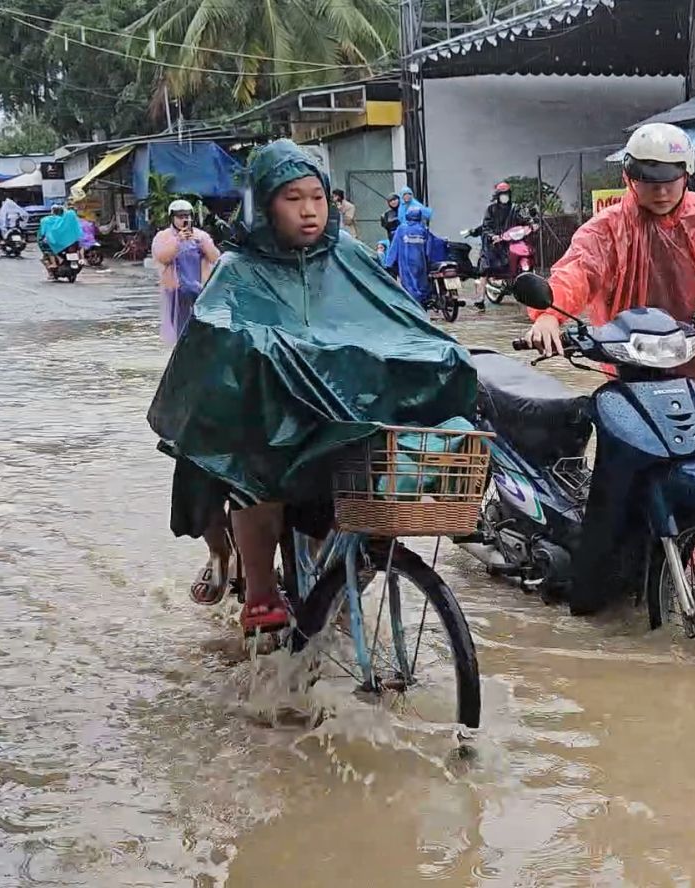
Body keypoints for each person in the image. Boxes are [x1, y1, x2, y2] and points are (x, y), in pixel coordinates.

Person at [148, 139, 476, 635]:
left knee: (381, 463)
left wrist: (445, 353)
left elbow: (400, 321)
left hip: (341, 424)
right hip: (270, 431)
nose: (308, 211)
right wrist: (267, 353)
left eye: (317, 198)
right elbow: (218, 331)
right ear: (265, 204)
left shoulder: (349, 256)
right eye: (292, 198)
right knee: (255, 473)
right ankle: (259, 589)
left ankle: (335, 582)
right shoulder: (240, 268)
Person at [524, 122, 695, 514]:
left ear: (686, 175)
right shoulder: (609, 228)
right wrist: (548, 314)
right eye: (649, 181)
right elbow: (577, 271)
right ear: (629, 178)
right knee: (638, 456)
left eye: (670, 180)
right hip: (640, 359)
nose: (661, 191)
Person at [151, 200, 221, 345]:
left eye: (187, 216)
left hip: (200, 290)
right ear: (172, 218)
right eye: (180, 216)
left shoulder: (201, 236)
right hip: (176, 291)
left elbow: (215, 258)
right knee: (181, 330)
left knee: (203, 327)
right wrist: (177, 242)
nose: (184, 220)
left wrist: (203, 244)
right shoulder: (163, 237)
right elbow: (162, 257)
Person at [465, 181, 526, 304]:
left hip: (509, 242)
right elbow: (486, 226)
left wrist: (530, 224)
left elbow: (522, 220)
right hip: (493, 245)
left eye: (506, 194)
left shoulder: (514, 209)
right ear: (497, 196)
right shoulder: (491, 209)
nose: (504, 196)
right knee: (485, 269)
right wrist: (493, 236)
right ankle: (480, 298)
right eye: (502, 194)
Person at [384, 206, 446, 308]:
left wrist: (388, 263)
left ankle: (414, 306)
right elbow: (429, 247)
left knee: (409, 283)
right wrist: (429, 259)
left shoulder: (401, 229)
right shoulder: (423, 229)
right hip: (420, 261)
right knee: (421, 283)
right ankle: (422, 302)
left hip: (406, 261)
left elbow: (394, 247)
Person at [38, 205, 83, 281]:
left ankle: (53, 268)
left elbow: (45, 233)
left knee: (48, 251)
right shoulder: (70, 222)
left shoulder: (49, 220)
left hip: (59, 244)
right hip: (71, 244)